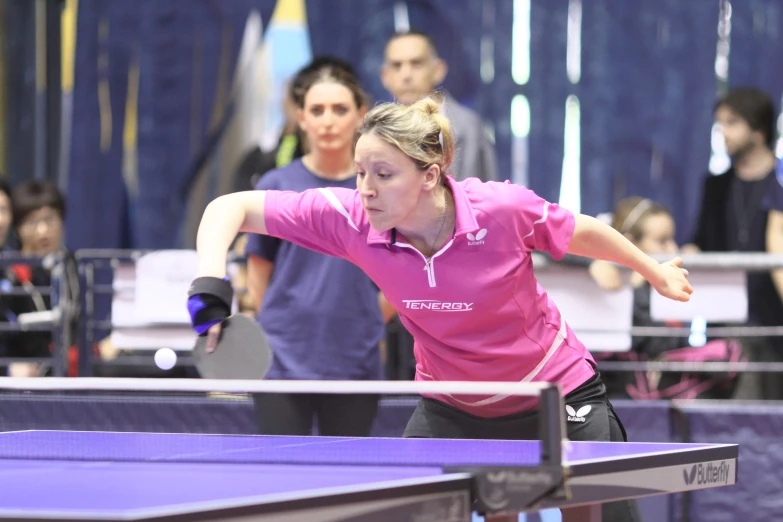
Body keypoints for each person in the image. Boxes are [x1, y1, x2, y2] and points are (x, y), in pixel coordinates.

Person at [187, 95, 691, 522]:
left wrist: (653, 270)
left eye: (383, 174)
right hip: (456, 401)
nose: (365, 188)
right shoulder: (351, 217)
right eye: (361, 172)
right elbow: (229, 207)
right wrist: (209, 282)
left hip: (553, 394)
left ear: (430, 175)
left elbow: (581, 230)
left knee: (597, 511)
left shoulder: (500, 209)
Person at [239, 60, 390, 437]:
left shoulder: (381, 188)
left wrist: (369, 318)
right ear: (301, 117)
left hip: (356, 358)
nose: (328, 121)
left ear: (360, 115)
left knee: (348, 480)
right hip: (282, 359)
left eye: (340, 110)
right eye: (317, 110)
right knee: (283, 475)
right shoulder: (276, 182)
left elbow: (403, 269)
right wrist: (280, 329)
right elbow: (258, 271)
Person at [592, 197, 743, 400]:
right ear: (630, 242)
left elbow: (674, 344)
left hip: (666, 388)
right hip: (623, 392)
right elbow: (648, 344)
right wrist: (637, 289)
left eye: (673, 239)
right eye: (662, 241)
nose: (672, 249)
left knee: (730, 354)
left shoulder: (669, 279)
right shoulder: (607, 278)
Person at [381, 30, 497, 183]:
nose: (406, 74)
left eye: (416, 64)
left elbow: (488, 196)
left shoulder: (469, 127)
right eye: (397, 65)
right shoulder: (376, 130)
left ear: (438, 70)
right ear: (385, 76)